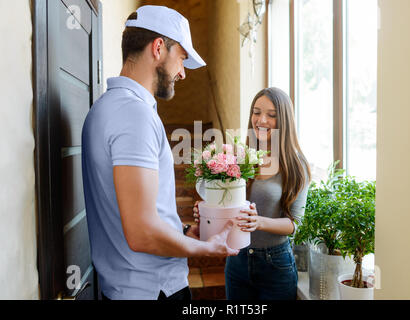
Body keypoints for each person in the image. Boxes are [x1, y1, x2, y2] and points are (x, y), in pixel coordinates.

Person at [81, 5, 239, 301]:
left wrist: (181, 230)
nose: (182, 72)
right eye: (181, 58)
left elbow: (133, 209)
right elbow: (141, 231)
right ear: (158, 48)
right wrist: (206, 249)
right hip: (153, 292)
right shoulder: (133, 115)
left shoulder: (106, 107)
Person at [194, 87, 311, 300]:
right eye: (256, 112)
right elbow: (228, 204)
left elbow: (295, 224)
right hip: (237, 259)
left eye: (271, 115)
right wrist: (207, 214)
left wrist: (258, 222)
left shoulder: (296, 165)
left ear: (284, 120)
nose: (261, 120)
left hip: (276, 266)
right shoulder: (240, 157)